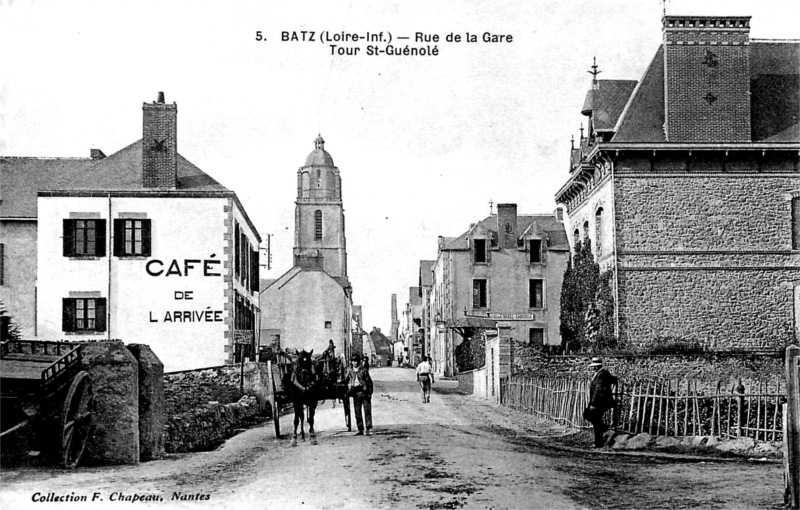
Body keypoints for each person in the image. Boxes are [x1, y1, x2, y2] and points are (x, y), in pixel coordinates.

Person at [583, 357, 618, 448]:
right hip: (599, 401)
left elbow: (598, 390)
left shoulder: (602, 374)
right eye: (593, 366)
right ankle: (604, 430)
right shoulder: (599, 374)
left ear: (598, 366)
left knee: (594, 419)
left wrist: (593, 404)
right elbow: (612, 379)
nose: (593, 368)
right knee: (590, 416)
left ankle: (599, 442)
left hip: (601, 402)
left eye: (595, 366)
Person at [345, 354, 373, 436]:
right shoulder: (350, 371)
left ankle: (368, 429)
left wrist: (369, 393)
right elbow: (346, 380)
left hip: (364, 393)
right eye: (353, 361)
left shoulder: (364, 370)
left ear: (359, 362)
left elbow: (370, 382)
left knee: (367, 411)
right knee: (357, 412)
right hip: (355, 393)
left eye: (356, 361)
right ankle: (360, 429)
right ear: (351, 362)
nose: (355, 363)